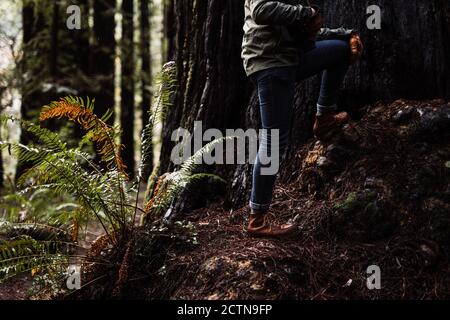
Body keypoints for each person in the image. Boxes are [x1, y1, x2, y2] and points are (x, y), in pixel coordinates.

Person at [241, 0, 364, 237]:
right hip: (271, 64)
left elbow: (308, 36)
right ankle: (257, 219)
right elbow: (261, 10)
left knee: (339, 49)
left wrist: (347, 34)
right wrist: (307, 13)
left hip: (289, 60)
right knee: (274, 141)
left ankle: (325, 117)